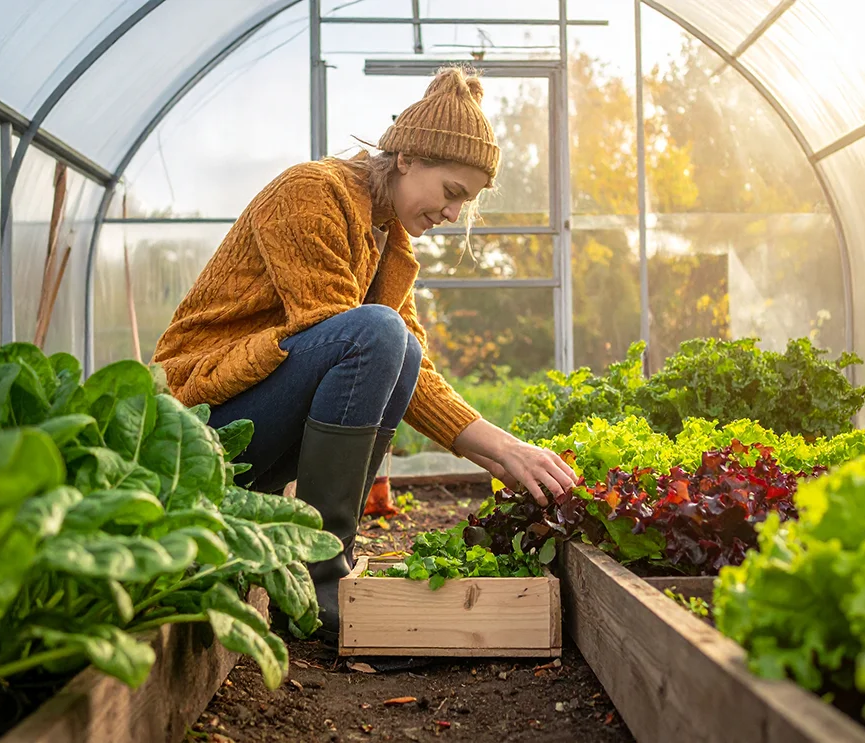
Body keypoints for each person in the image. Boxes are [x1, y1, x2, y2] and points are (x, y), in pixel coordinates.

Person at [152, 66, 578, 644]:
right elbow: (344, 335)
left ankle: (327, 556)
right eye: (452, 193)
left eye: (467, 202)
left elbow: (408, 368)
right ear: (407, 159)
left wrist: (501, 451)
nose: (454, 214)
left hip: (256, 419)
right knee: (380, 333)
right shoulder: (310, 193)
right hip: (201, 426)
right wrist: (494, 448)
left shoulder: (389, 242)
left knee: (395, 344)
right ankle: (318, 575)